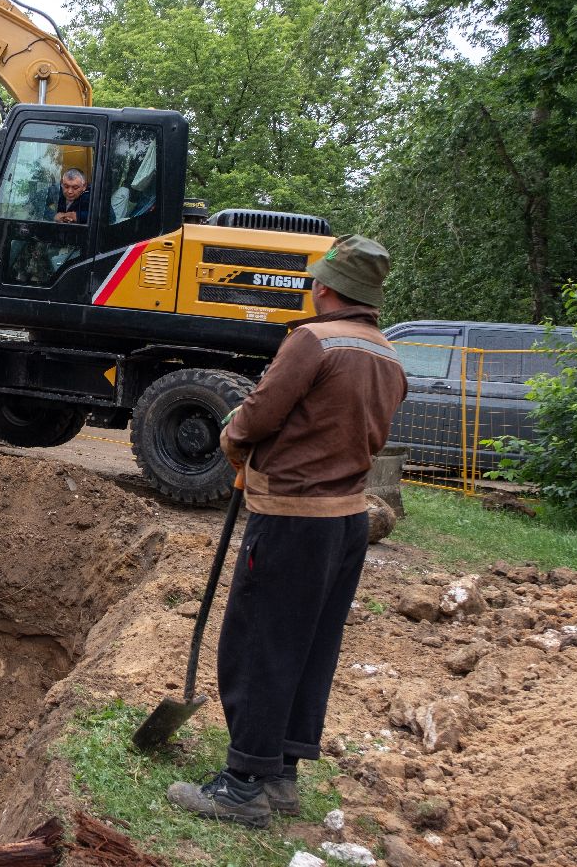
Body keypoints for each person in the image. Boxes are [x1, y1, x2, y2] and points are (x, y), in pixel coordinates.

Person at [166, 235, 408, 828]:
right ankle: (280, 775)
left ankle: (243, 785)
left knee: (259, 645)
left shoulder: (312, 341)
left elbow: (261, 411)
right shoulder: (389, 355)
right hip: (348, 520)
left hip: (294, 519)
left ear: (327, 287)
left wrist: (233, 438)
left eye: (315, 280)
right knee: (309, 647)